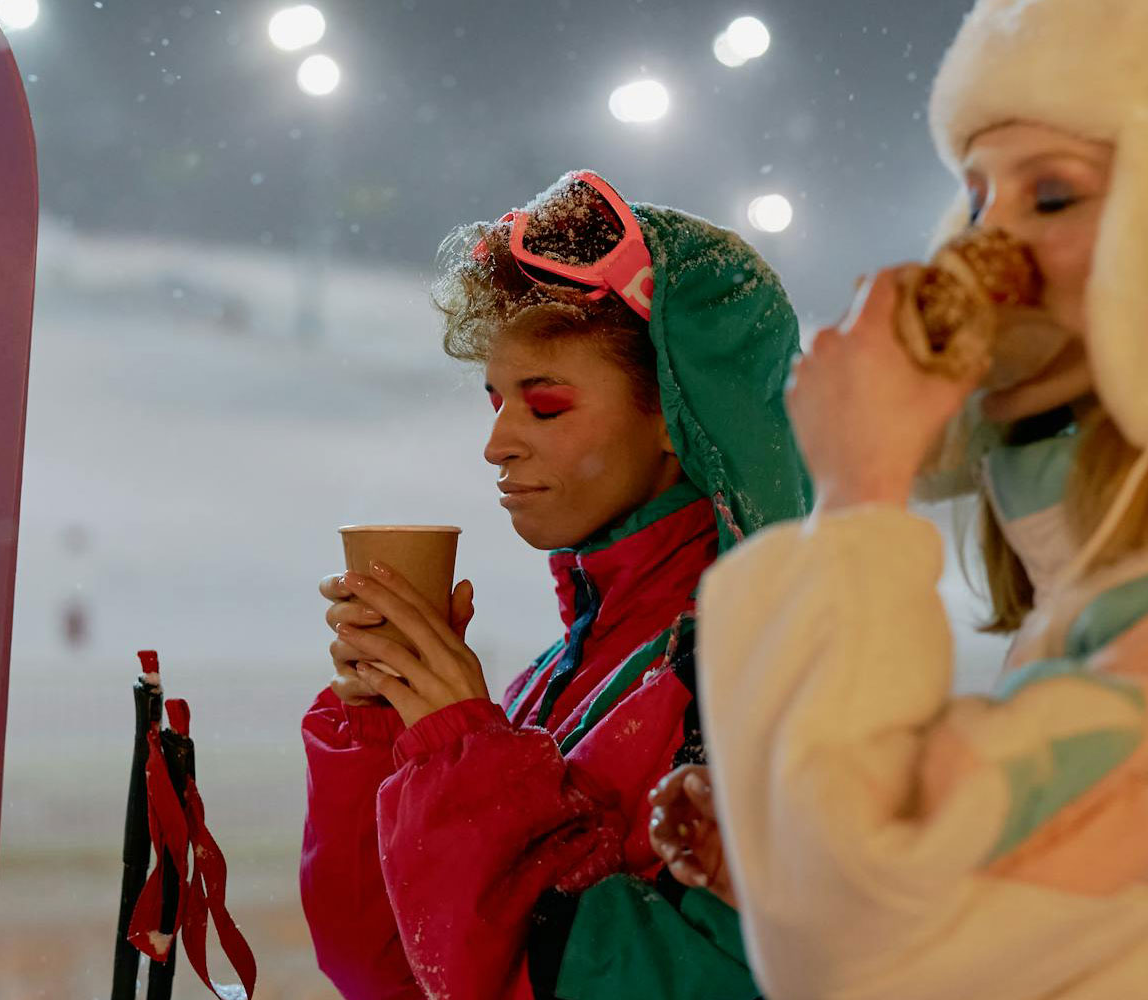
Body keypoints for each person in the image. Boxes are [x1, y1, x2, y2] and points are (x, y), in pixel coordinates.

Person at [650, 1, 1148, 997]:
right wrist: (777, 867)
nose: (990, 257)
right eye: (979, 203)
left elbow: (867, 945)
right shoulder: (1128, 564)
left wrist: (860, 487)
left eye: (1055, 197)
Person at [299, 170, 809, 999]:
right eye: (495, 400)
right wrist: (392, 735)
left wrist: (463, 754)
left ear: (683, 419)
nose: (496, 443)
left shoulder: (766, 679)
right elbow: (383, 969)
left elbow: (671, 981)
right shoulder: (561, 673)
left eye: (545, 406)